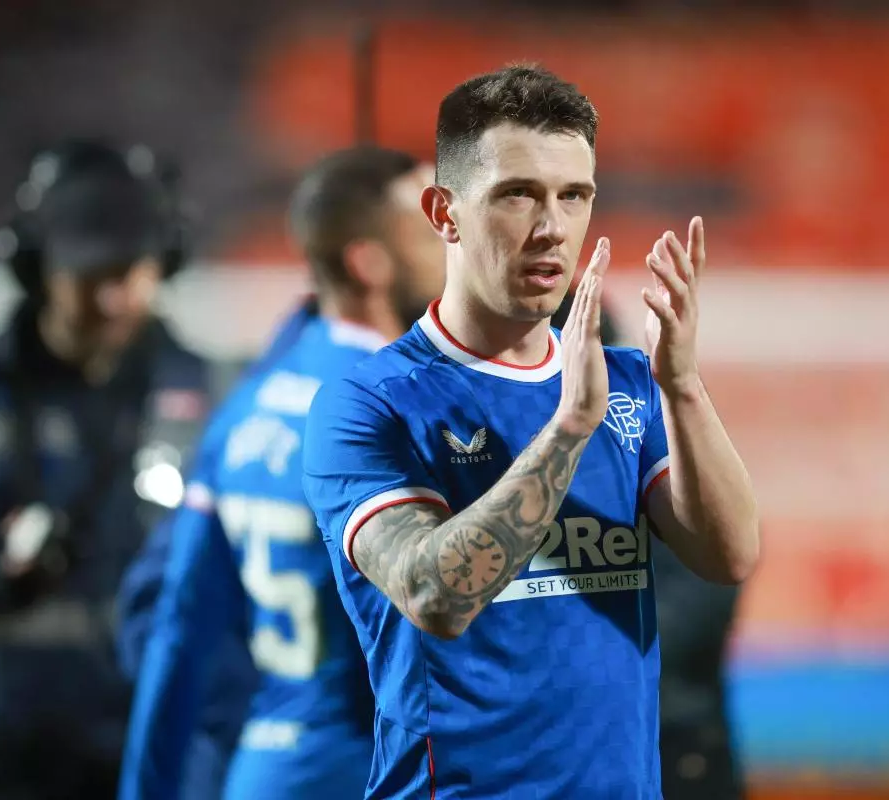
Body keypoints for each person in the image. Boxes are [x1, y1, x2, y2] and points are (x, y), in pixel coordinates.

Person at [302, 64, 762, 797]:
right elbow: (434, 596)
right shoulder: (369, 403)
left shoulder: (629, 384)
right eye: (517, 194)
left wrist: (681, 385)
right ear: (444, 212)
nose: (552, 228)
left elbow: (730, 554)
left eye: (573, 196)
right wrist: (568, 429)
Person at [118, 145, 445, 800]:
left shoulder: (247, 403)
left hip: (265, 768)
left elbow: (178, 627)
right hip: (373, 770)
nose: (450, 248)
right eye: (427, 231)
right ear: (369, 262)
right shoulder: (399, 408)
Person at [0, 140, 216, 798]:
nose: (112, 299)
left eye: (129, 272)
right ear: (36, 269)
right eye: (89, 274)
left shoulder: (217, 398)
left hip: (157, 740)